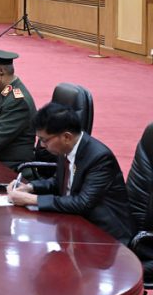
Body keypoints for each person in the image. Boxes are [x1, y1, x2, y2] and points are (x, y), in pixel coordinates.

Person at [8, 103, 133, 244]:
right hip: (74, 224)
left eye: (44, 140)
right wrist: (29, 187)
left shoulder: (99, 158)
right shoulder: (66, 148)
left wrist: (31, 199)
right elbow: (58, 182)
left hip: (103, 238)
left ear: (66, 137)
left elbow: (82, 203)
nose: (42, 145)